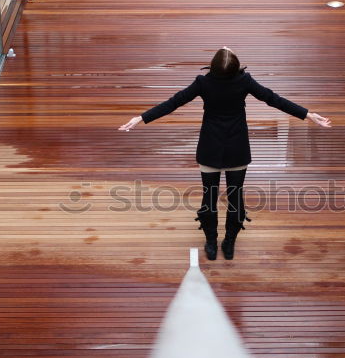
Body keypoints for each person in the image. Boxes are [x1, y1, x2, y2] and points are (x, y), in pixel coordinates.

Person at [118, 47, 332, 260]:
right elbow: (273, 99)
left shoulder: (203, 83)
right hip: (236, 148)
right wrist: (308, 114)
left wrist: (141, 118)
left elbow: (173, 102)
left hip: (210, 148)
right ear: (236, 67)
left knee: (209, 198)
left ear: (213, 65)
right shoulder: (245, 81)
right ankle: (229, 243)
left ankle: (211, 242)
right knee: (235, 198)